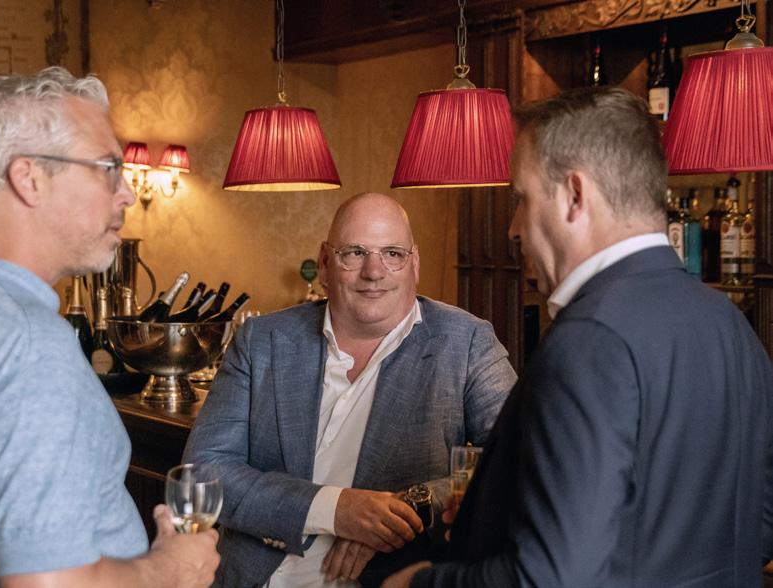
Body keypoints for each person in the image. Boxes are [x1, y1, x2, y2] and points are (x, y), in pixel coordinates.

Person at [384, 86, 773, 588]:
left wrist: (419, 583)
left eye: (521, 199)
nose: (513, 228)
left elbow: (550, 577)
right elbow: (758, 524)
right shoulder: (729, 322)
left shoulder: (588, 341)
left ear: (575, 195)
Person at [0, 67, 219, 588]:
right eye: (108, 168)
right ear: (29, 179)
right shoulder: (27, 344)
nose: (126, 194)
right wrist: (172, 569)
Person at [183, 191, 517, 587]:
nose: (373, 272)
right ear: (325, 263)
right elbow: (203, 471)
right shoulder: (262, 340)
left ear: (414, 264)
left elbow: (518, 460)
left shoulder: (467, 343)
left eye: (392, 254)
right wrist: (336, 509)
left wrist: (409, 508)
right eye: (355, 253)